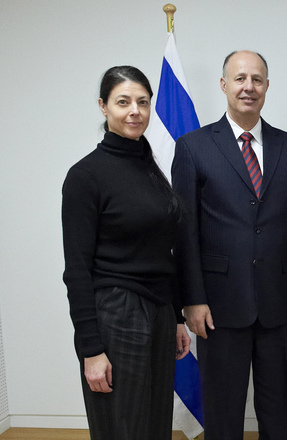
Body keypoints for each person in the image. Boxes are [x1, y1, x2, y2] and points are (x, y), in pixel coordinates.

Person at [172, 50, 287, 439]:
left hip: (277, 299)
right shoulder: (193, 147)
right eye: (239, 79)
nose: (248, 87)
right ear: (224, 85)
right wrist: (191, 298)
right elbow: (184, 233)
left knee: (277, 405)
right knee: (222, 408)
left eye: (257, 79)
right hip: (217, 305)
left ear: (267, 87)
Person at [61, 65, 190, 439]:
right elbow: (77, 270)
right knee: (123, 428)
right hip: (115, 314)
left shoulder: (150, 167)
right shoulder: (86, 176)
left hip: (160, 312)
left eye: (143, 102)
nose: (135, 110)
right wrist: (91, 350)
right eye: (123, 102)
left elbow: (164, 251)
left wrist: (177, 317)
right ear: (103, 107)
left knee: (154, 426)